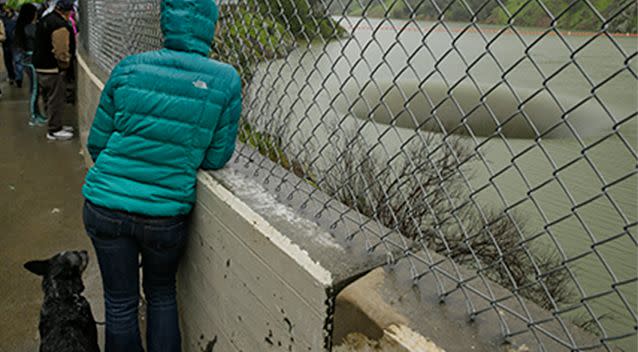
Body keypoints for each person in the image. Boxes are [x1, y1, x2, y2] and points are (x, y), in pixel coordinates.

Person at [82, 0, 242, 351]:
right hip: (164, 215)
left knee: (120, 305)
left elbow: (97, 143)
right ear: (210, 25)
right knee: (161, 295)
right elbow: (216, 157)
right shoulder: (226, 79)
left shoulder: (129, 68)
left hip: (105, 204)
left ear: (165, 21)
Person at [33, 0, 75, 140]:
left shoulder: (45, 19)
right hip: (52, 68)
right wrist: (65, 65)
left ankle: (53, 124)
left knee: (47, 98)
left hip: (41, 66)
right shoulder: (60, 25)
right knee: (56, 99)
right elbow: (61, 50)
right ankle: (54, 129)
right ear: (67, 11)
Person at [14, 3, 46, 125]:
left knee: (35, 89)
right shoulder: (30, 28)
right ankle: (34, 116)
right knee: (35, 90)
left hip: (29, 61)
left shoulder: (23, 27)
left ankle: (37, 114)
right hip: (32, 62)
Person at [1, 5, 17, 86]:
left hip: (11, 42)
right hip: (7, 43)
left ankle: (15, 76)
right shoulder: (3, 18)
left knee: (14, 60)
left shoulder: (15, 18)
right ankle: (12, 76)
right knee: (9, 61)